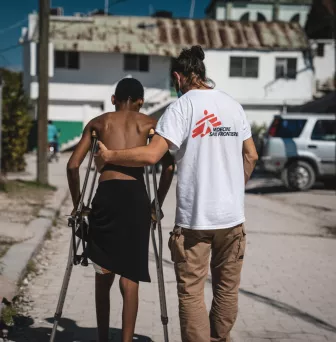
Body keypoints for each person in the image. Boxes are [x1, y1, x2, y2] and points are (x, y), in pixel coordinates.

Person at [96, 46, 259, 342]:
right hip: (233, 218)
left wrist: (110, 156)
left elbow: (151, 155)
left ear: (178, 77)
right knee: (226, 288)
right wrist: (234, 188)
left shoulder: (182, 107)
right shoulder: (233, 105)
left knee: (192, 292)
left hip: (196, 221)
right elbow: (251, 155)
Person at [66, 78, 175, 342]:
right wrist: (156, 203)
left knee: (103, 274)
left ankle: (103, 338)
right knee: (130, 275)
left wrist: (79, 204)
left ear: (114, 99)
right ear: (141, 102)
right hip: (136, 199)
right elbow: (169, 167)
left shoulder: (98, 123)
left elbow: (72, 165)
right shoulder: (150, 124)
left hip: (106, 198)